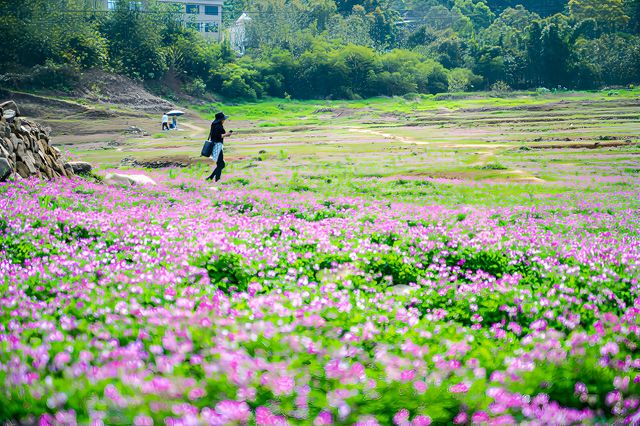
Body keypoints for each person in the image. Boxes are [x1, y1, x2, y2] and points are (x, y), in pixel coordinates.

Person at [206, 112, 233, 182]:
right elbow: (218, 136)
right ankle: (214, 179)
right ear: (221, 119)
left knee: (220, 164)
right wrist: (226, 134)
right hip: (217, 146)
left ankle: (213, 178)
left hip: (215, 145)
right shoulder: (218, 126)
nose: (224, 120)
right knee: (221, 164)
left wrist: (225, 134)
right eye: (224, 119)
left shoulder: (214, 125)